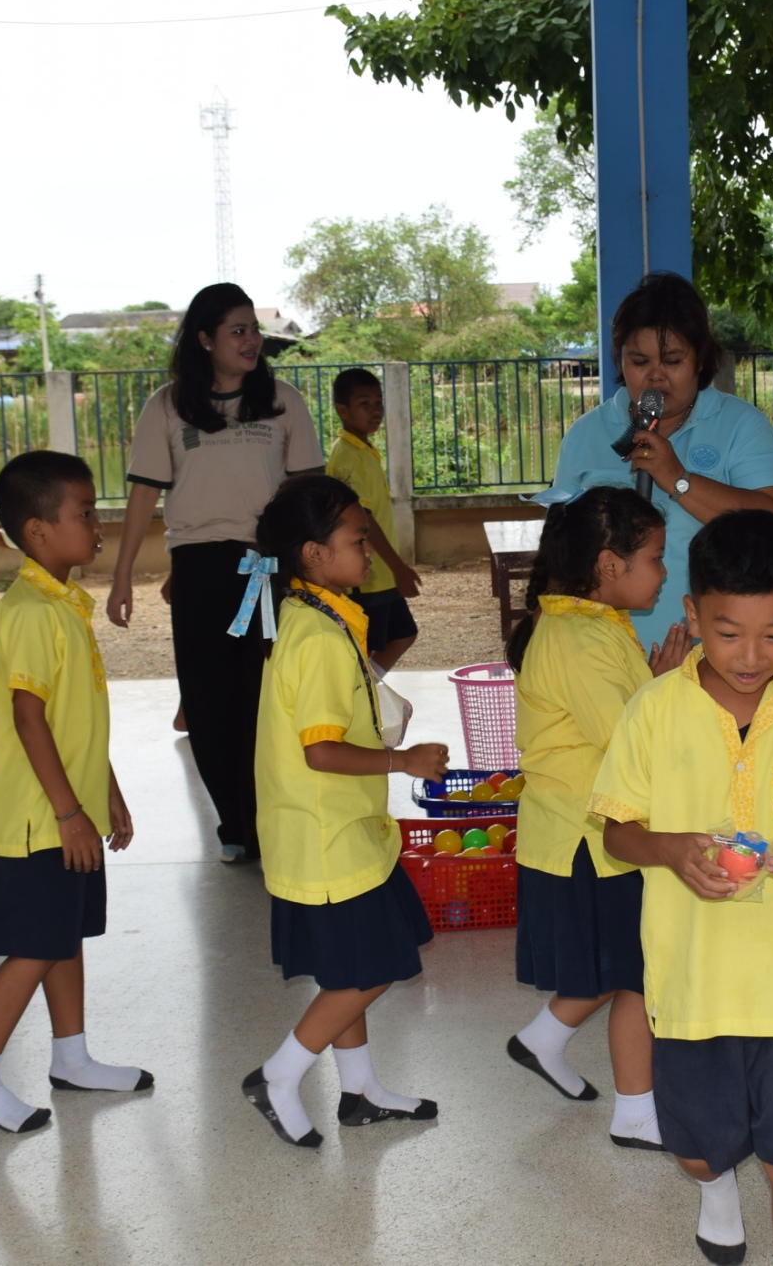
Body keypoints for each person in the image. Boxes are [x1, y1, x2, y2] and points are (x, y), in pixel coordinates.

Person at [593, 511, 773, 1266]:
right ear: (693, 616)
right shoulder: (654, 709)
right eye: (728, 633)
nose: (751, 656)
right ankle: (714, 1184)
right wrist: (669, 847)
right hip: (692, 987)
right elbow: (616, 833)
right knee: (696, 1149)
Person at [0, 451, 150, 1135]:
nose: (98, 524)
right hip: (38, 819)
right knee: (35, 945)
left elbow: (74, 718)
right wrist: (67, 811)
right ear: (37, 531)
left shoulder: (62, 604)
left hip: (69, 809)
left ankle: (72, 1057)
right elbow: (29, 718)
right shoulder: (31, 610)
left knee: (63, 936)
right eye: (84, 513)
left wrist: (106, 790)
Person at [240, 474, 450, 1150]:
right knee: (373, 965)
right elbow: (322, 750)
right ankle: (278, 1075)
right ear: (313, 554)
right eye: (358, 541)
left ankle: (358, 1091)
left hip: (336, 829)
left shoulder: (319, 615)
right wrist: (403, 760)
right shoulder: (320, 637)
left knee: (349, 968)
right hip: (327, 836)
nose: (369, 551)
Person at [108, 284, 323, 864]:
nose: (251, 340)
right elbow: (143, 496)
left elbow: (308, 491)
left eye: (254, 329)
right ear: (205, 339)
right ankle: (235, 823)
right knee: (208, 702)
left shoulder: (282, 401)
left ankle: (270, 818)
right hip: (200, 567)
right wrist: (122, 576)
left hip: (267, 566)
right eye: (237, 330)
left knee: (266, 695)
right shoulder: (167, 406)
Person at [504, 487, 688, 1151]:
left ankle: (543, 1038)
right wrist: (668, 690)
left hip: (590, 832)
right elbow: (629, 745)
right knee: (638, 973)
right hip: (589, 840)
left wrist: (656, 684)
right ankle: (635, 1113)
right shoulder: (580, 638)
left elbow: (623, 721)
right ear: (609, 564)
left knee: (618, 963)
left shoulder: (590, 624)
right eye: (656, 558)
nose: (664, 572)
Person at [539, 272, 773, 652]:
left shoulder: (741, 425)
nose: (655, 376)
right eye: (639, 361)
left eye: (673, 360)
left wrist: (678, 478)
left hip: (715, 655)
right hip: (601, 655)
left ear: (700, 359)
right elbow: (559, 555)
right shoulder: (585, 434)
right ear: (620, 359)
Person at [326, 368, 422, 671]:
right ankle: (356, 692)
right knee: (360, 649)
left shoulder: (363, 449)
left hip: (379, 574)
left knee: (403, 634)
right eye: (364, 404)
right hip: (365, 578)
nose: (376, 411)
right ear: (342, 410)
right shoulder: (347, 455)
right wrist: (398, 567)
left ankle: (368, 688)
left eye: (378, 402)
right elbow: (362, 520)